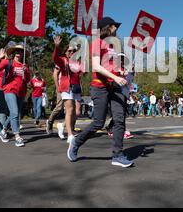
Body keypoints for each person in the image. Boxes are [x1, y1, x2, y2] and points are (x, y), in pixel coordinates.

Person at [67, 16, 133, 167]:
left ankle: (117, 155)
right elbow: (96, 67)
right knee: (98, 122)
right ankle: (77, 142)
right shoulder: (97, 43)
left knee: (119, 118)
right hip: (99, 87)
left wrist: (121, 72)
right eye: (115, 26)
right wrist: (115, 78)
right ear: (108, 27)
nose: (117, 29)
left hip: (114, 87)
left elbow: (112, 66)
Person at [0, 45, 31, 147]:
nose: (19, 52)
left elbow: (27, 80)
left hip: (21, 92)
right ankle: (17, 136)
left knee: (15, 113)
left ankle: (4, 130)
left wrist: (25, 72)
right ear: (14, 52)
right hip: (9, 90)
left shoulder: (25, 66)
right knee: (14, 112)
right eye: (17, 50)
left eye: (21, 51)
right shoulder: (8, 62)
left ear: (23, 54)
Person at [52, 36, 83, 143]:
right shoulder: (62, 61)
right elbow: (55, 58)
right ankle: (70, 134)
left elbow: (82, 73)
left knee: (77, 112)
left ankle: (62, 125)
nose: (71, 52)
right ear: (65, 52)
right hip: (66, 88)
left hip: (76, 88)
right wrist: (56, 47)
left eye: (73, 51)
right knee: (69, 110)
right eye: (69, 51)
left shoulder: (78, 62)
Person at [46, 66, 64, 135]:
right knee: (59, 107)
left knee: (72, 109)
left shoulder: (73, 60)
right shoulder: (60, 61)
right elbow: (55, 74)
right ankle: (50, 122)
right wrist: (57, 87)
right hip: (61, 87)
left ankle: (71, 129)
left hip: (71, 87)